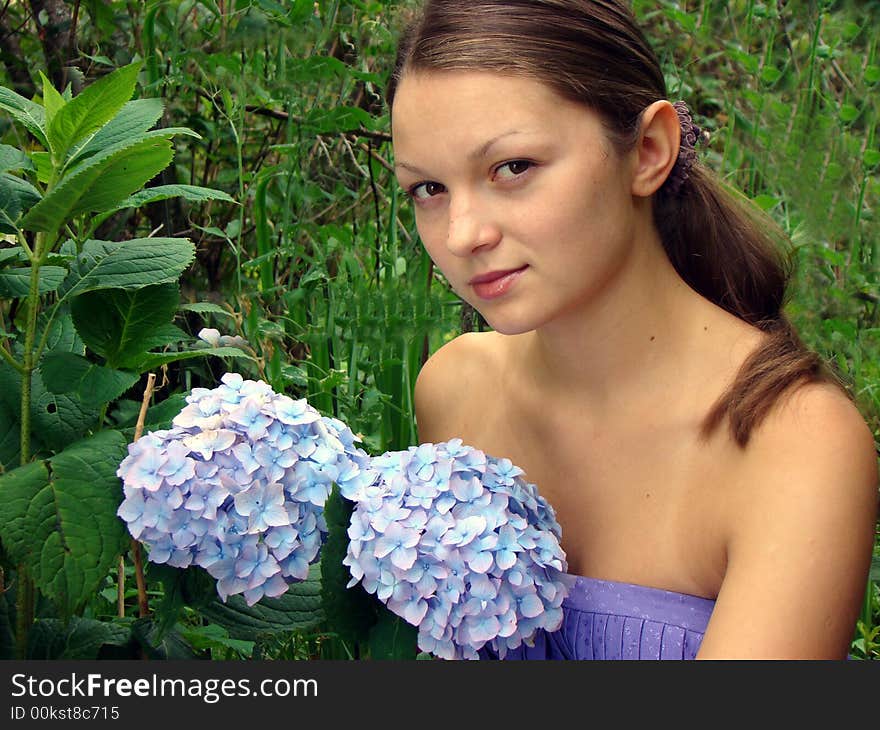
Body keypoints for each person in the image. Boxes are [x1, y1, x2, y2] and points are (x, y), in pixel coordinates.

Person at [386, 0, 879, 659]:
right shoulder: (454, 390)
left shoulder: (789, 440)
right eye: (428, 189)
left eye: (514, 168)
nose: (463, 234)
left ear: (648, 151)